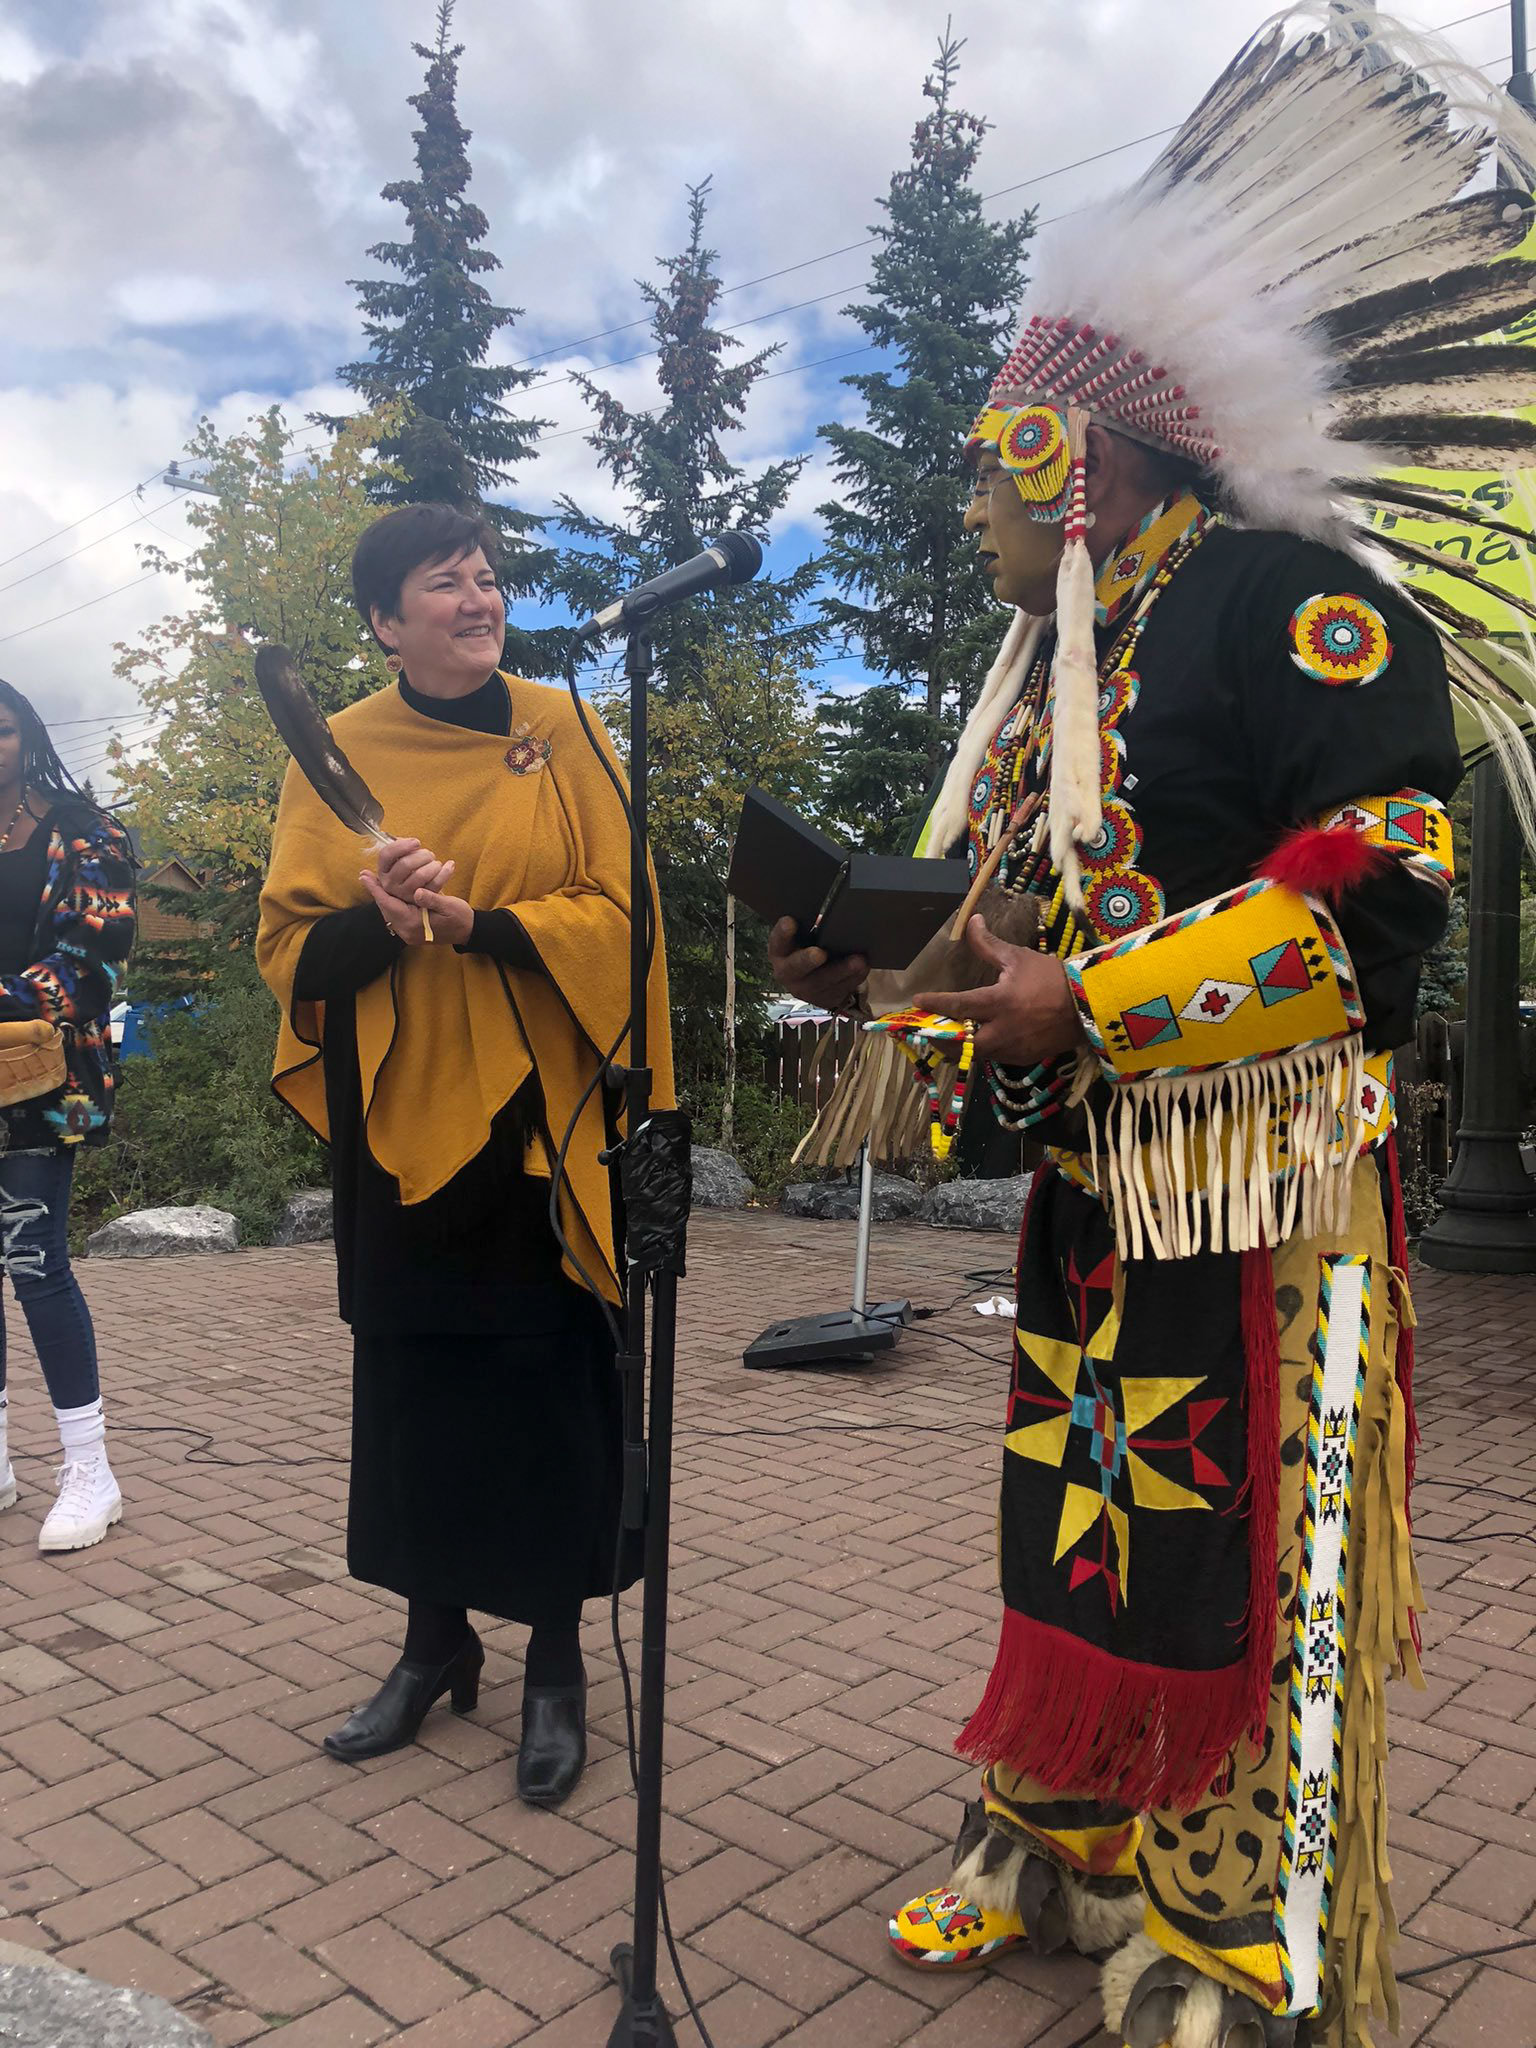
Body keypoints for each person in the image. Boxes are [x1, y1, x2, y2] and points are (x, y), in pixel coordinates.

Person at [772, 13, 1536, 2045]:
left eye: (986, 466)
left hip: (1273, 1191)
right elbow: (1014, 957)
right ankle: (1059, 1823)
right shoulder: (1056, 669)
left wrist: (1084, 993)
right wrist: (904, 982)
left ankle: (1239, 1931)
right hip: (1101, 1190)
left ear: (1072, 451)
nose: (967, 513)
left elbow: (1388, 886)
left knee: (1251, 1544)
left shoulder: (1293, 595)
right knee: (1086, 1502)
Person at [257, 503, 671, 1807]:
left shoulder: (567, 727)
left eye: (487, 579)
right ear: (386, 622)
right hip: (402, 1128)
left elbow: (623, 911)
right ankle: (434, 1643)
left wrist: (477, 919)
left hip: (545, 1126)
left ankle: (556, 1661)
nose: (478, 599)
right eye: (447, 584)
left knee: (553, 1392)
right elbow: (293, 953)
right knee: (419, 1385)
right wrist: (381, 920)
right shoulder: (335, 756)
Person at [0, 679, 136, 1553]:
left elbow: (95, 958)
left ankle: (89, 1468)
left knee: (32, 1258)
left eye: (1, 731)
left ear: (27, 736)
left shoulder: (86, 830)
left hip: (43, 1080)